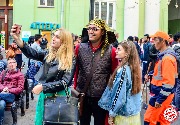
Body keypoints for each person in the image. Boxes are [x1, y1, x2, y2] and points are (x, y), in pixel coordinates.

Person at [10, 26, 75, 125]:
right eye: (53, 35)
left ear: (65, 41)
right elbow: (33, 53)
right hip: (45, 95)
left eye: (57, 37)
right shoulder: (49, 54)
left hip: (60, 98)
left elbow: (65, 82)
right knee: (42, 121)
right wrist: (18, 39)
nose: (53, 38)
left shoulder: (71, 58)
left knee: (57, 122)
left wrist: (42, 87)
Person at [73, 19, 118, 125]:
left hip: (101, 97)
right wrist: (75, 90)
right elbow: (76, 71)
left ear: (102, 32)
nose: (91, 31)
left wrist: (111, 96)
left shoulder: (111, 51)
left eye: (95, 29)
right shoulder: (80, 48)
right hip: (82, 94)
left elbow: (114, 75)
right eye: (89, 28)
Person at [98, 40, 142, 125]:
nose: (116, 51)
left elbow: (119, 96)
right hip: (133, 113)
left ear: (127, 53)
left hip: (123, 116)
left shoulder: (123, 70)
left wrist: (112, 114)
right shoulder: (135, 68)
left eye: (119, 49)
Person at [144, 31, 177, 125]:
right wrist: (150, 75)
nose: (153, 42)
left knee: (150, 119)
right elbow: (162, 74)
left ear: (163, 41)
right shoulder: (164, 56)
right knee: (162, 120)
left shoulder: (166, 58)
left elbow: (169, 82)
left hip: (160, 95)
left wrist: (159, 99)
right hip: (162, 94)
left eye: (155, 40)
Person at [0, 57, 25, 125]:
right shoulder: (4, 72)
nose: (12, 64)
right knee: (1, 104)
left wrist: (8, 90)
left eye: (13, 62)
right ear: (7, 65)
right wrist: (3, 89)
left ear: (16, 64)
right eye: (10, 63)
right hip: (2, 94)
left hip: (12, 95)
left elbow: (20, 88)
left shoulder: (20, 75)